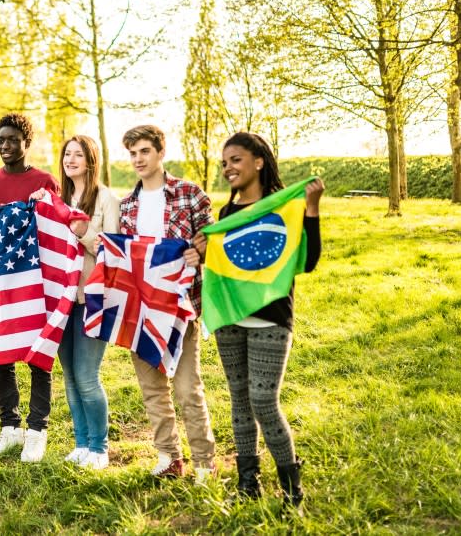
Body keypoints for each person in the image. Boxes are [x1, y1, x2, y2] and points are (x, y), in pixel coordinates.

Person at [191, 132, 324, 510]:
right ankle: (248, 485)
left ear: (258, 162)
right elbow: (225, 266)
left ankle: (292, 490)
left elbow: (309, 261)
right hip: (232, 319)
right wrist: (203, 252)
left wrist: (311, 208)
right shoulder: (227, 216)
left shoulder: (283, 208)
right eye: (224, 163)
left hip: (271, 318)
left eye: (235, 160)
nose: (228, 168)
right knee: (239, 402)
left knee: (264, 401)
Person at [0, 113, 75, 463]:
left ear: (27, 143)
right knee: (2, 354)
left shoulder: (44, 181)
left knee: (38, 356)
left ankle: (37, 431)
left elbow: (55, 225)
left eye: (11, 140)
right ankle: (10, 428)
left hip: (35, 280)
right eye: (0, 140)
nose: (5, 146)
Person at [118, 124, 217, 482]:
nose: (138, 159)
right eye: (132, 153)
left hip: (180, 308)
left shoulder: (190, 194)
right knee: (152, 389)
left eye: (144, 151)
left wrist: (199, 252)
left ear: (161, 152)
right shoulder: (128, 206)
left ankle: (205, 462)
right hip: (140, 311)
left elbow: (212, 239)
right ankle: (168, 457)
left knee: (188, 388)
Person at [42, 136, 119, 470]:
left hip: (92, 299)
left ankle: (100, 448)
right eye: (66, 154)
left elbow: (113, 254)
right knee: (70, 376)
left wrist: (84, 232)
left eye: (78, 155)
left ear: (91, 160)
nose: (70, 160)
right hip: (60, 300)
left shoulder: (106, 199)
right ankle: (81, 443)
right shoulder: (56, 198)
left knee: (88, 377)